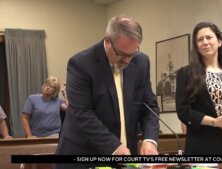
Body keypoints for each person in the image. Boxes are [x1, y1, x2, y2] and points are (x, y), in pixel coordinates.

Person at [56, 15, 159, 168]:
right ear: (107, 40)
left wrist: (150, 140)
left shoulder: (142, 61)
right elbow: (82, 114)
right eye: (122, 54)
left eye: (133, 54)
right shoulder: (81, 64)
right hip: (84, 155)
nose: (127, 61)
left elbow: (149, 106)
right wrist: (114, 147)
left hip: (125, 159)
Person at [175, 22, 222, 155]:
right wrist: (214, 122)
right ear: (196, 46)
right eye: (200, 40)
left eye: (209, 37)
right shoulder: (186, 73)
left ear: (219, 42)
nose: (205, 42)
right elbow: (183, 111)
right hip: (201, 147)